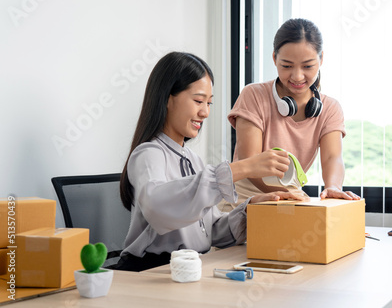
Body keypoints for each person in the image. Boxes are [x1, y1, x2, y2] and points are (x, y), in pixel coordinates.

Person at [112, 51, 308, 272]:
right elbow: (158, 207)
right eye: (198, 101)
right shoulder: (148, 154)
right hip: (150, 271)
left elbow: (211, 230)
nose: (205, 112)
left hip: (188, 268)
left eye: (209, 103)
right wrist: (243, 168)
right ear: (167, 98)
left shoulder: (192, 159)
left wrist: (252, 208)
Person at [225, 18, 359, 210]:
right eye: (287, 66)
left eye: (307, 66)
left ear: (321, 59)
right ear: (274, 59)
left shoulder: (330, 108)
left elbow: (332, 158)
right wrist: (285, 194)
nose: (297, 76)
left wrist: (333, 187)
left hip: (289, 199)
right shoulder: (253, 95)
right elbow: (250, 162)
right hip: (244, 198)